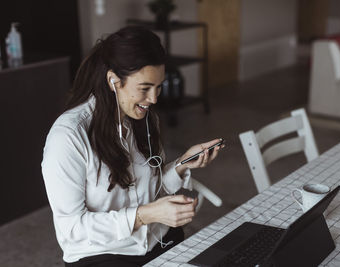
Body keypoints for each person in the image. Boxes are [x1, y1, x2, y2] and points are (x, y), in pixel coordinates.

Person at [41, 26, 222, 267]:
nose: (154, 99)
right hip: (103, 255)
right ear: (113, 80)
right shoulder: (68, 137)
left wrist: (179, 166)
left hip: (157, 240)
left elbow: (149, 193)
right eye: (144, 88)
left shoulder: (144, 119)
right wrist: (147, 215)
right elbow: (72, 228)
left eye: (158, 87)